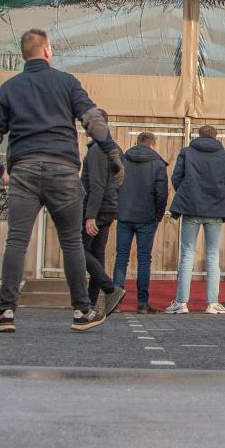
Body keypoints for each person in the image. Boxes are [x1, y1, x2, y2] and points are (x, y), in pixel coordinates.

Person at [0, 28, 124, 333]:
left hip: (24, 172)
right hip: (63, 171)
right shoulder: (67, 82)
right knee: (71, 241)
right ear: (46, 51)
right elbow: (92, 119)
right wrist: (111, 152)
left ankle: (6, 313)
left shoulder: (9, 89)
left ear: (23, 54)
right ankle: (82, 311)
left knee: (17, 240)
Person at [166, 124, 225, 314]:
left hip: (191, 209)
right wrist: (222, 199)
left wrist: (187, 195)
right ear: (216, 136)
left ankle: (181, 303)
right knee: (213, 255)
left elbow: (176, 178)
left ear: (198, 135)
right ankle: (212, 303)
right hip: (215, 211)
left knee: (187, 254)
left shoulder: (187, 152)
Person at [113, 132, 169, 313]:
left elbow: (114, 186)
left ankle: (116, 302)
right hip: (147, 217)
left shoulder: (123, 160)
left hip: (124, 215)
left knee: (121, 257)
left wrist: (118, 208)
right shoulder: (158, 164)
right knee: (144, 259)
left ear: (136, 143)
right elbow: (162, 194)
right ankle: (142, 303)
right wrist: (158, 215)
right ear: (153, 145)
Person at [80, 131, 125, 319]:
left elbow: (96, 185)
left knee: (78, 250)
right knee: (97, 254)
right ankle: (91, 302)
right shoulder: (116, 149)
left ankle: (109, 289)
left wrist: (90, 216)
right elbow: (118, 182)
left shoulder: (98, 150)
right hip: (108, 207)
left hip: (97, 209)